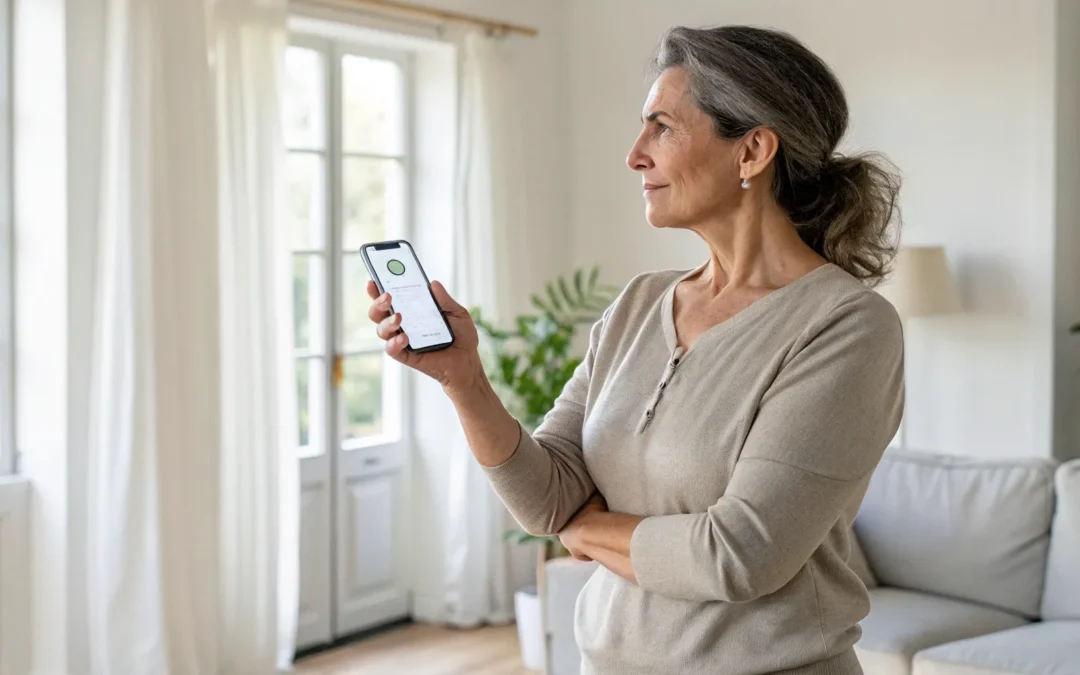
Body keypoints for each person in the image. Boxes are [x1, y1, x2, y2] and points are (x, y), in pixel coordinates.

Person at [367, 24, 904, 675]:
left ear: (753, 151)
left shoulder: (847, 326)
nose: (634, 155)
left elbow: (738, 555)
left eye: (662, 128)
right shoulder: (639, 303)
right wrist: (464, 380)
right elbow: (546, 497)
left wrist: (583, 528)